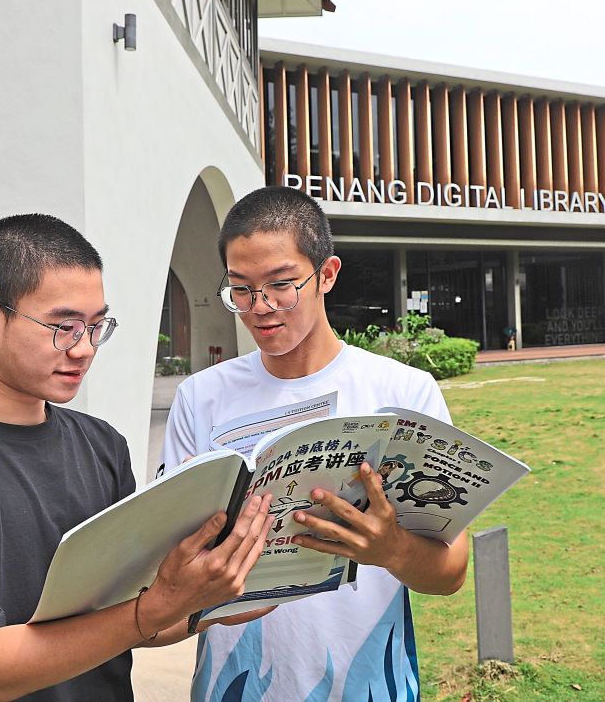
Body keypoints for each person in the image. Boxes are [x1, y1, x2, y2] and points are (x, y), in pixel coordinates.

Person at [0, 214, 271, 702]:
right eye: (64, 326)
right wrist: (151, 610)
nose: (85, 349)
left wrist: (208, 601)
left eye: (97, 327)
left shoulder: (101, 446)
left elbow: (131, 621)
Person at [162, 187, 470, 701]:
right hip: (232, 683)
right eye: (240, 289)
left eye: (282, 284)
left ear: (326, 274)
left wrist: (390, 548)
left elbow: (450, 572)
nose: (260, 308)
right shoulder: (201, 397)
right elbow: (170, 568)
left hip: (367, 682)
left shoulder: (401, 393)